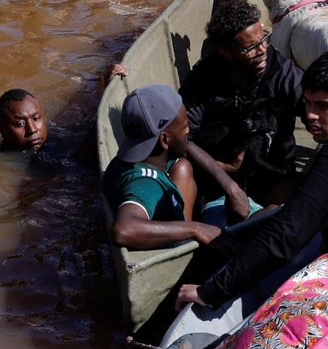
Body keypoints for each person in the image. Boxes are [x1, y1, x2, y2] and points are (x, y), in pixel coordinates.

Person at [176, 49, 328, 310]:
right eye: (307, 103)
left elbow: (285, 236)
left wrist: (211, 291)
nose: (310, 115)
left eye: (324, 106)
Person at [180, 0, 304, 199]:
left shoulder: (282, 72)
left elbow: (313, 106)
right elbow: (182, 135)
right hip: (218, 177)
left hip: (274, 172)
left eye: (264, 39)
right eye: (251, 48)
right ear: (226, 54)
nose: (263, 50)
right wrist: (223, 174)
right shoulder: (205, 76)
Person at [105, 84, 250, 250]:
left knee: (182, 165)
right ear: (165, 140)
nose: (188, 130)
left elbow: (185, 147)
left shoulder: (138, 158)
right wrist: (197, 229)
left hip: (169, 219)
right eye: (184, 127)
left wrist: (230, 186)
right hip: (164, 247)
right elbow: (123, 230)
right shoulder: (147, 184)